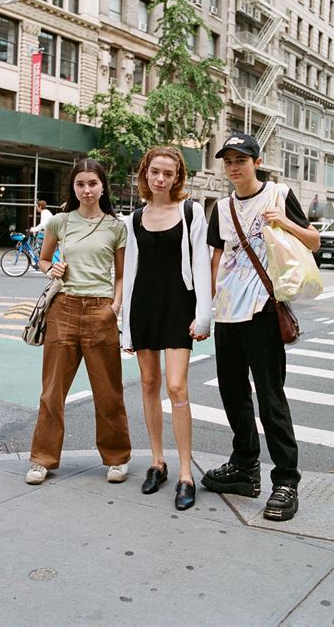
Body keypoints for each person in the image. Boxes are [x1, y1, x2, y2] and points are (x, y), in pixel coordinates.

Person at [201, 133, 320, 521]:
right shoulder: (220, 207)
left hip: (264, 310)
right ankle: (245, 467)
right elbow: (217, 257)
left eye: (242, 160)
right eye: (229, 161)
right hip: (227, 312)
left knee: (270, 398)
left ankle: (286, 480)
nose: (234, 167)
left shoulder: (278, 194)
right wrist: (208, 308)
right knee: (233, 394)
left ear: (257, 161)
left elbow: (314, 241)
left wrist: (284, 221)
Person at [26, 158, 131, 486]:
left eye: (92, 184)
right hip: (64, 310)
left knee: (109, 391)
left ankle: (116, 458)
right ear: (73, 188)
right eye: (80, 184)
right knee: (52, 391)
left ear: (103, 187)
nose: (87, 190)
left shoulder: (116, 226)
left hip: (101, 311)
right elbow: (43, 259)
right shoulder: (60, 222)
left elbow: (122, 276)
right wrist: (50, 269)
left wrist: (114, 307)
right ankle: (42, 459)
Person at [122, 147, 212, 511]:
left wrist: (203, 314)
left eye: (168, 174)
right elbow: (129, 273)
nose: (161, 179)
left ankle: (186, 473)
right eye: (155, 172)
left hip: (178, 307)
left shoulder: (190, 212)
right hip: (144, 306)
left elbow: (203, 265)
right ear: (145, 174)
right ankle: (157, 462)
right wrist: (126, 325)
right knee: (148, 383)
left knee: (176, 386)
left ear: (177, 178)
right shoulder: (135, 218)